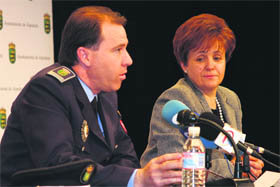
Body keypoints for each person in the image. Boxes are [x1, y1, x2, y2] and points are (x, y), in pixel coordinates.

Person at [0, 6, 182, 186]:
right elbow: (58, 166)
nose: (128, 60)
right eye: (118, 50)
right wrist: (136, 178)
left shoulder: (106, 93)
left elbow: (125, 156)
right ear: (85, 56)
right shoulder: (47, 90)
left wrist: (131, 178)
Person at [140, 13, 264, 182]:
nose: (210, 65)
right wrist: (236, 168)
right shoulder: (174, 99)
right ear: (184, 64)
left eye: (217, 58)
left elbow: (237, 153)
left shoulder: (230, 99)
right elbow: (178, 164)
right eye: (200, 58)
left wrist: (248, 164)